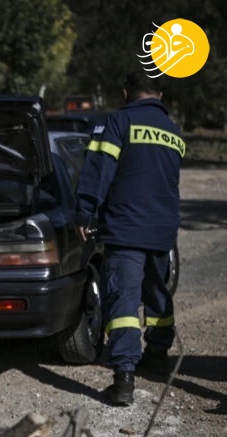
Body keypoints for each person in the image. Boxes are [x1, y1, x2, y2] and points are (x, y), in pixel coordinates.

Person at [75, 71, 184, 406]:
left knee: (123, 300)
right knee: (157, 293)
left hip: (126, 227)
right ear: (160, 95)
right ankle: (157, 355)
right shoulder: (173, 131)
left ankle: (123, 379)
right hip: (162, 229)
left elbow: (99, 170)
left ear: (126, 93)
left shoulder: (119, 122)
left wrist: (85, 211)